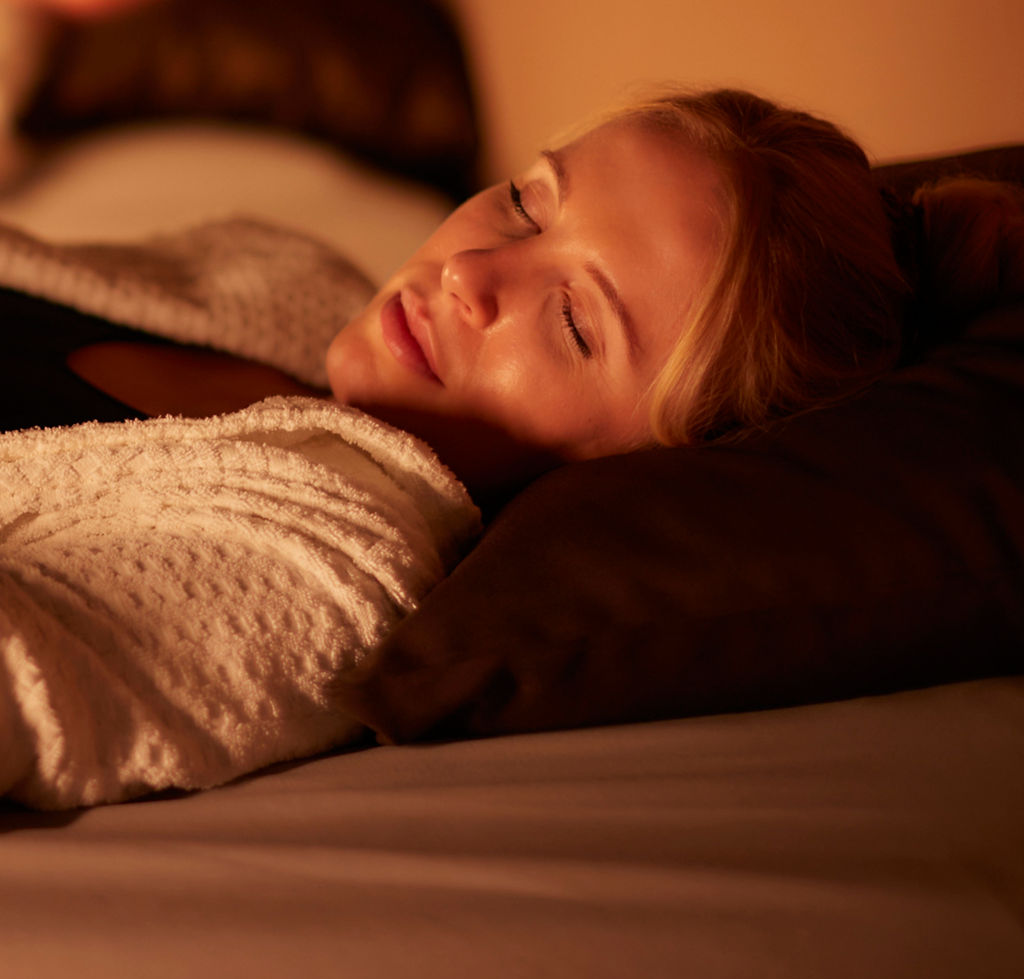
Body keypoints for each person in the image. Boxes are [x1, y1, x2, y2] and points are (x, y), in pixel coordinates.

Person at [1, 87, 1021, 809]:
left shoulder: (315, 561)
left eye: (576, 324)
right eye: (528, 201)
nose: (473, 271)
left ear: (644, 465)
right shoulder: (276, 275)